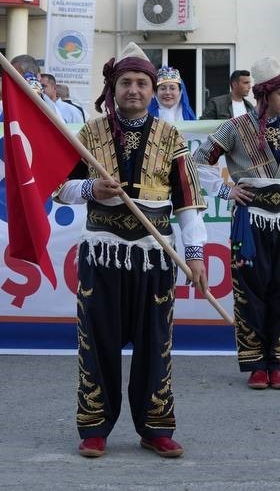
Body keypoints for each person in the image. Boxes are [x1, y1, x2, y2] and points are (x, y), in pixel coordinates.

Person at [55, 42, 207, 459]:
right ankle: (94, 426)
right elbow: (59, 188)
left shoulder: (172, 137)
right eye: (126, 82)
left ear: (154, 89)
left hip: (155, 256)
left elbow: (188, 205)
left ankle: (155, 426)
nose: (134, 90)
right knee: (96, 341)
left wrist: (194, 255)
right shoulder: (89, 133)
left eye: (142, 83)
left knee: (155, 342)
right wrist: (91, 188)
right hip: (101, 255)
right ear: (113, 87)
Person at [194, 57, 280, 391]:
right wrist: (226, 189)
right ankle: (256, 364)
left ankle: (279, 362)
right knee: (249, 291)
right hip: (249, 220)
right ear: (266, 94)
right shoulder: (236, 127)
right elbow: (199, 159)